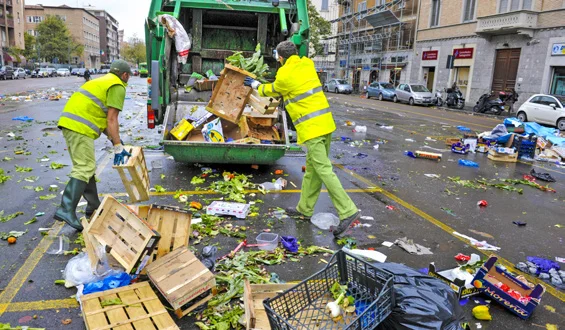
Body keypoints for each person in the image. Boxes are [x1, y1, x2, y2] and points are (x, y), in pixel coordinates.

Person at [244, 41, 360, 238]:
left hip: (312, 128)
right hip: (325, 124)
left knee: (323, 169)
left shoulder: (285, 73)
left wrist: (256, 85)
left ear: (280, 57)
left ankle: (348, 211)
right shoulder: (307, 64)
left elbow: (273, 90)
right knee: (313, 170)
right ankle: (305, 209)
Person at [55, 60, 132, 230]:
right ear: (125, 75)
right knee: (85, 167)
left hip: (71, 123)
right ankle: (66, 208)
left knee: (87, 167)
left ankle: (93, 204)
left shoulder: (102, 81)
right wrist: (118, 146)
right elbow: (112, 119)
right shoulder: (117, 85)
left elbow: (104, 122)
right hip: (79, 127)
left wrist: (115, 141)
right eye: (129, 76)